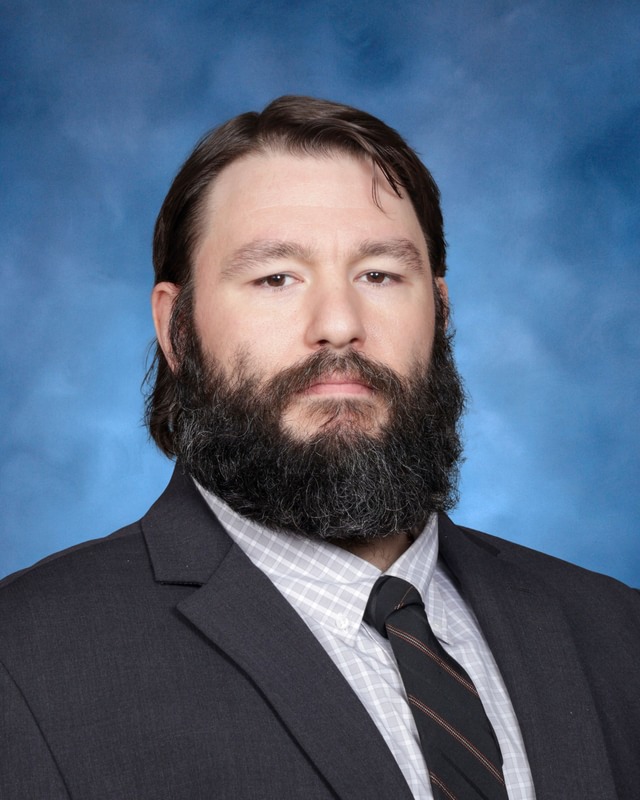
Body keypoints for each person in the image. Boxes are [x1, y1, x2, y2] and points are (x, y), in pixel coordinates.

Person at [0, 96, 638, 800]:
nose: (338, 325)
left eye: (380, 275)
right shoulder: (23, 660)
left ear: (441, 312)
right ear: (177, 329)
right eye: (276, 278)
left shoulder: (617, 631)